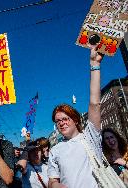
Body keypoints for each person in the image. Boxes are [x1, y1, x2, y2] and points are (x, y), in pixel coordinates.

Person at [48, 46, 103, 188]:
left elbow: (94, 104)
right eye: (57, 121)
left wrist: (95, 65)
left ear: (75, 120)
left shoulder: (90, 137)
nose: (61, 123)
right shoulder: (55, 150)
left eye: (65, 119)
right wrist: (55, 186)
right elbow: (53, 180)